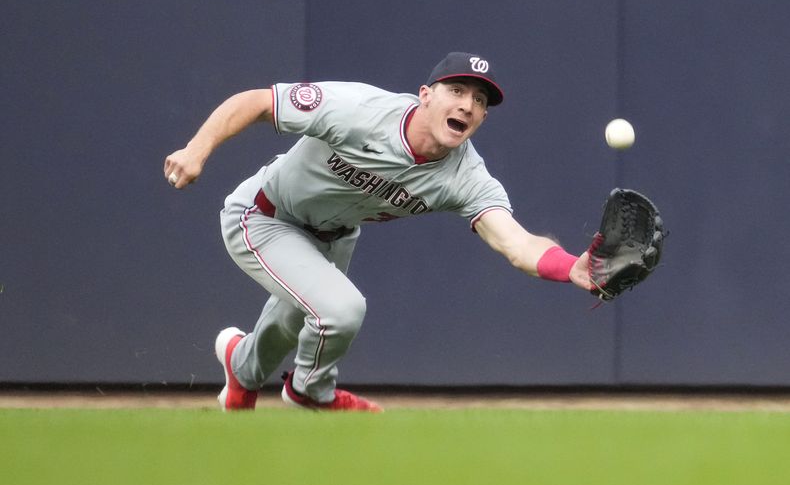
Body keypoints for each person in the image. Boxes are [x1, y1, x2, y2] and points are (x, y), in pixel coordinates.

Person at [164, 52, 593, 412]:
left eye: (479, 100)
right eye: (457, 91)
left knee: (289, 324)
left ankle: (241, 371)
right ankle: (310, 391)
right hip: (265, 215)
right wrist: (196, 150)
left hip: (335, 237)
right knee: (341, 310)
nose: (467, 105)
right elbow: (258, 101)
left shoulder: (466, 177)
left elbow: (516, 242)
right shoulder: (360, 111)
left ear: (482, 117)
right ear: (425, 95)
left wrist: (572, 267)